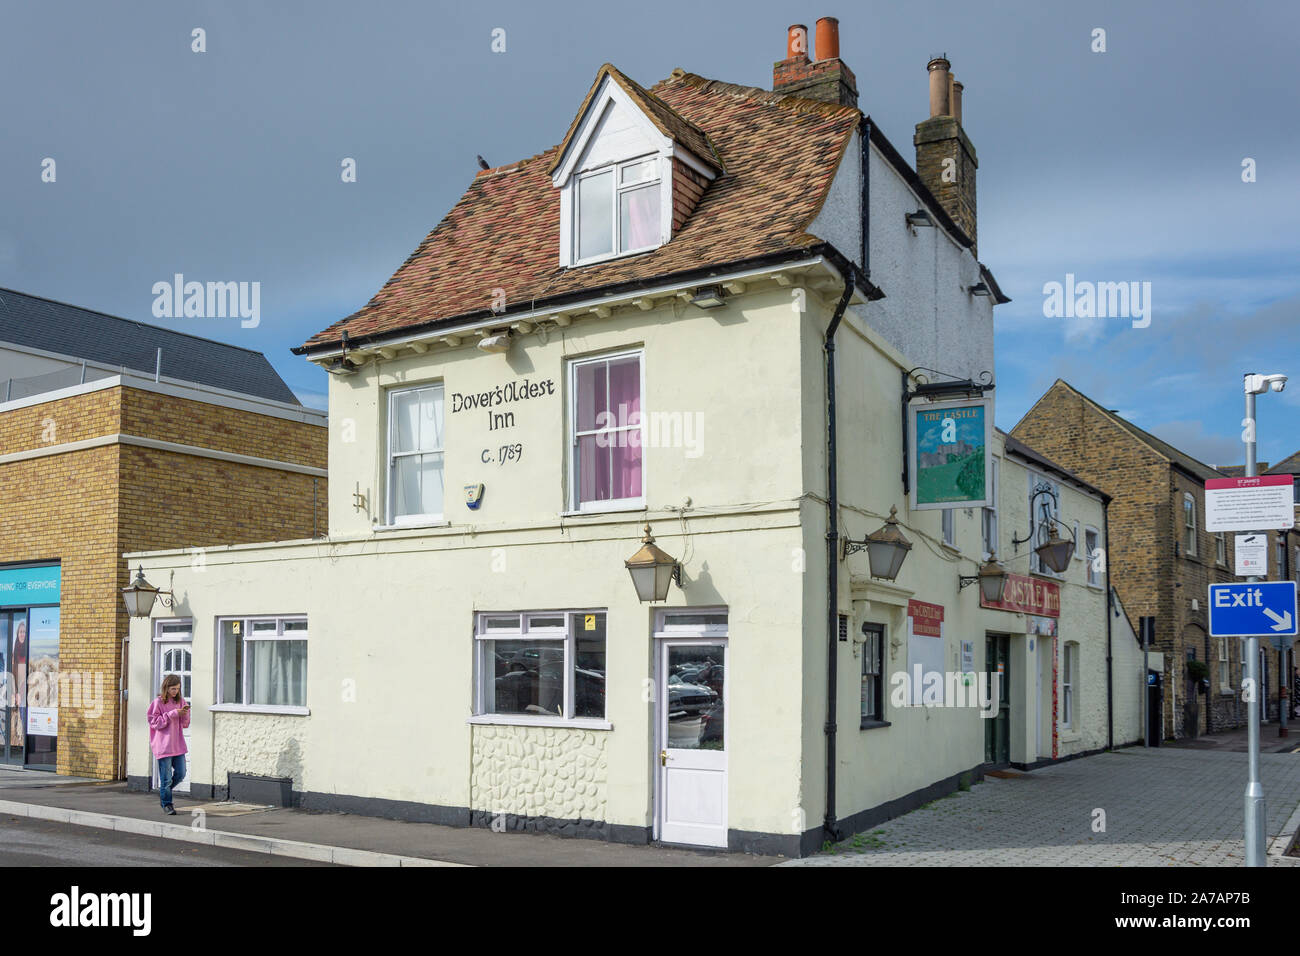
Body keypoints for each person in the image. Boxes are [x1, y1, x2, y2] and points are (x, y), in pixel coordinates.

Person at [146, 674, 190, 814]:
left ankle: (165, 793)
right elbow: (154, 723)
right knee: (166, 778)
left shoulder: (181, 701)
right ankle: (167, 804)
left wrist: (185, 713)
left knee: (181, 773)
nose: (175, 691)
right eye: (172, 689)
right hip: (163, 746)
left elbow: (185, 724)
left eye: (177, 689)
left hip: (178, 745)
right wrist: (171, 714)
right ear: (166, 688)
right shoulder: (158, 702)